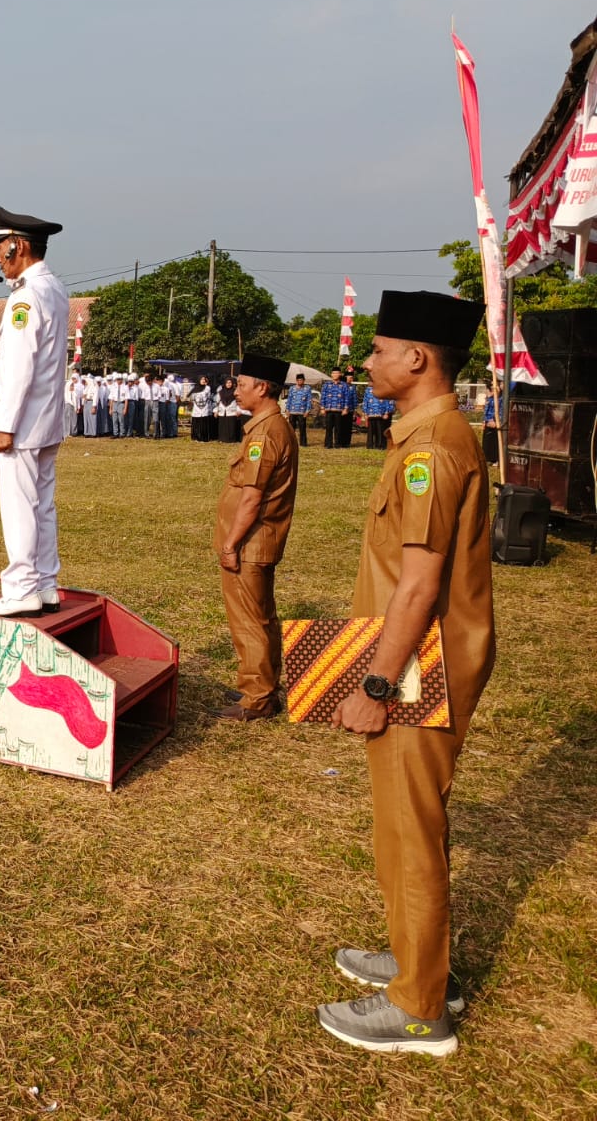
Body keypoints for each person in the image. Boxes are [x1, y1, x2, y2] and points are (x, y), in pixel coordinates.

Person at [317, 290, 492, 1057]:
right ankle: (422, 963)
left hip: (421, 670)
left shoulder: (430, 451)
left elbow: (419, 585)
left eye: (380, 349)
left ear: (417, 359)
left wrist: (375, 687)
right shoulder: (427, 433)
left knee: (410, 829)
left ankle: (422, 1009)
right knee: (404, 824)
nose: (368, 361)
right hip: (417, 658)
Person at [0, 206, 68, 618]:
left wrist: (5, 424)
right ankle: (45, 583)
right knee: (41, 503)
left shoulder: (26, 297)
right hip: (46, 419)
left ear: (19, 245)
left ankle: (21, 588)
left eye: (0, 248)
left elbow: (19, 366)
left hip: (25, 422)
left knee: (19, 505)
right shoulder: (56, 289)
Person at [212, 353, 299, 721]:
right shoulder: (267, 428)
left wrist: (231, 544)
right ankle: (262, 686)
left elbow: (252, 495)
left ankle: (257, 698)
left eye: (244, 385)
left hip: (250, 543)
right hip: (256, 541)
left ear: (263, 388)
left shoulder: (265, 433)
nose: (237, 391)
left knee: (249, 620)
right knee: (260, 616)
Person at [321, 367, 353, 448]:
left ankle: (337, 444)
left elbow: (347, 398)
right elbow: (323, 397)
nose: (335, 375)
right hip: (328, 409)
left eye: (337, 373)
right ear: (331, 374)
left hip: (339, 410)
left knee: (338, 428)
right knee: (328, 428)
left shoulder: (344, 385)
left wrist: (346, 409)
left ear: (340, 374)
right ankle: (328, 444)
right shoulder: (326, 385)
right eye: (333, 373)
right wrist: (322, 408)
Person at [285, 373, 313, 446]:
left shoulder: (307, 388)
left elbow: (309, 400)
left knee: (302, 428)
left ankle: (303, 443)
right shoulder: (292, 388)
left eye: (301, 380)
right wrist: (287, 409)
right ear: (296, 381)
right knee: (291, 429)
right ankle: (291, 443)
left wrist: (307, 410)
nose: (300, 381)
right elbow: (289, 399)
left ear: (304, 380)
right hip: (292, 411)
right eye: (298, 380)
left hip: (302, 412)